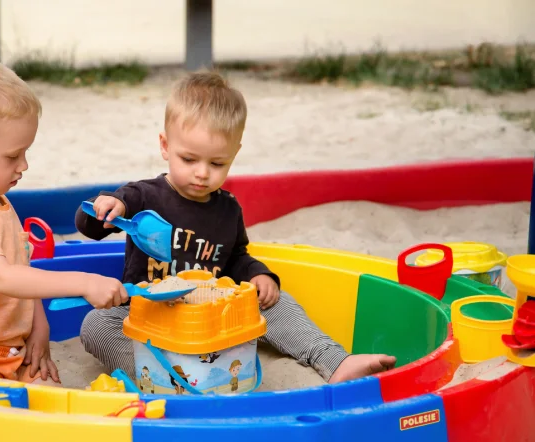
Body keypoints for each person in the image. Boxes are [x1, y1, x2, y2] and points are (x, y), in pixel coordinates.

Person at [76, 70, 396, 384]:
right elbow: (91, 226)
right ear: (165, 146)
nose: (202, 173)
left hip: (214, 318)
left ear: (234, 155)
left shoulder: (227, 209)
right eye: (189, 159)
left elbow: (236, 258)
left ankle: (334, 359)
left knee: (276, 300)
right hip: (149, 319)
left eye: (217, 164)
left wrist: (259, 275)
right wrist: (106, 207)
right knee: (97, 324)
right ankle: (162, 378)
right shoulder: (141, 196)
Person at [0, 52, 128, 385]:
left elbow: (22, 272)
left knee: (50, 397)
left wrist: (39, 327)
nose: (24, 165)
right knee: (2, 413)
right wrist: (85, 282)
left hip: (11, 350)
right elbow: (3, 278)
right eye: (12, 155)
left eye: (25, 152)